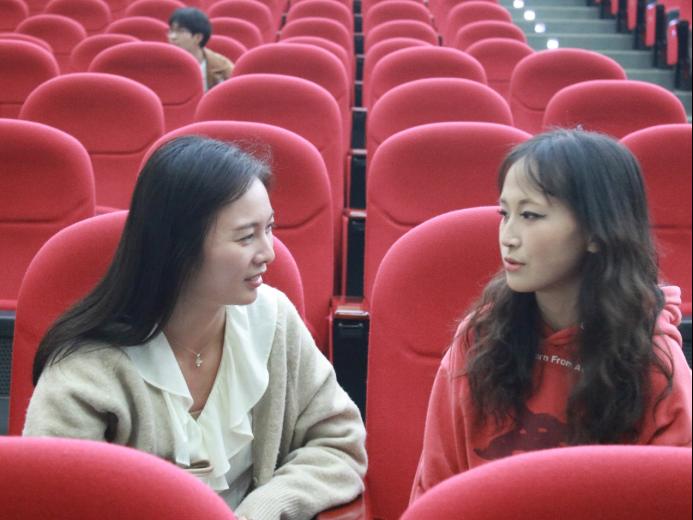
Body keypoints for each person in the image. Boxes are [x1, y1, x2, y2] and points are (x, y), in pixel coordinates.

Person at [23, 136, 367, 520]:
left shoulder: (274, 321)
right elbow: (52, 500)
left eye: (269, 228)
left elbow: (339, 445)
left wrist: (262, 510)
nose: (269, 253)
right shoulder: (87, 369)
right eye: (246, 236)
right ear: (178, 247)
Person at [410, 129, 692, 501]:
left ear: (597, 233)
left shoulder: (653, 362)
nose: (508, 236)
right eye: (505, 214)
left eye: (530, 215)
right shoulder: (480, 337)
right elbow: (435, 488)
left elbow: (672, 502)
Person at [168, 7, 233, 91]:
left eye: (181, 31)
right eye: (171, 31)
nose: (172, 37)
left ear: (198, 37)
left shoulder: (222, 68)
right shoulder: (163, 64)